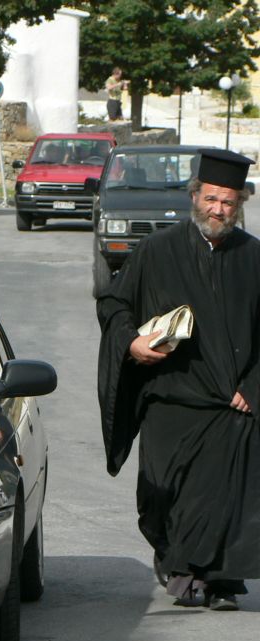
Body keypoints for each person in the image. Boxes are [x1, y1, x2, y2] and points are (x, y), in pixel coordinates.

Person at [97, 148, 260, 612]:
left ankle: (214, 580)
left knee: (226, 499)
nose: (218, 210)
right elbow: (114, 304)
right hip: (170, 401)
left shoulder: (254, 258)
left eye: (228, 202)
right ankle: (178, 561)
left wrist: (254, 388)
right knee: (164, 496)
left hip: (232, 405)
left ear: (239, 205)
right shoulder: (156, 250)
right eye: (211, 199)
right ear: (195, 197)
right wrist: (130, 343)